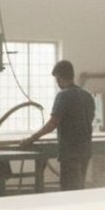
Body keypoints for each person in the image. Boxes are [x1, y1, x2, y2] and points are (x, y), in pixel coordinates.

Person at [21, 60, 94, 191]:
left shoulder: (63, 96)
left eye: (56, 79)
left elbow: (53, 123)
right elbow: (90, 119)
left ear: (59, 77)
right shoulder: (87, 95)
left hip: (70, 152)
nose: (57, 82)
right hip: (85, 150)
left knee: (69, 189)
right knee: (79, 187)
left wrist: (32, 138)